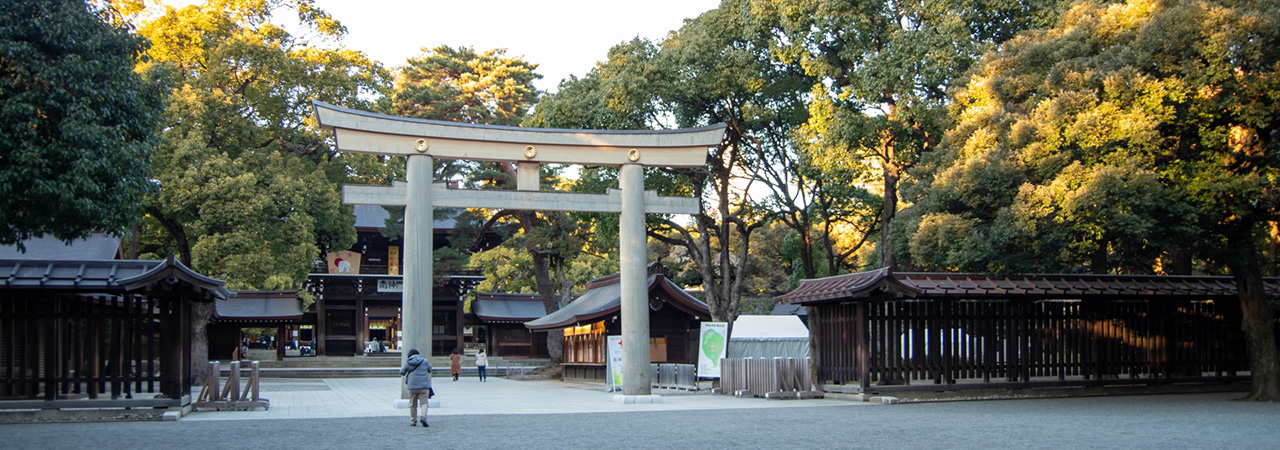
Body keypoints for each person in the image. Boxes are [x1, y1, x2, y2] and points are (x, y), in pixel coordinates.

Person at [399, 348, 432, 427]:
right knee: (424, 403)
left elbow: (402, 372)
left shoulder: (408, 362)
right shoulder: (425, 361)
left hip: (412, 386)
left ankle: (413, 421)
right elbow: (430, 369)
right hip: (424, 386)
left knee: (412, 404)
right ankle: (423, 417)